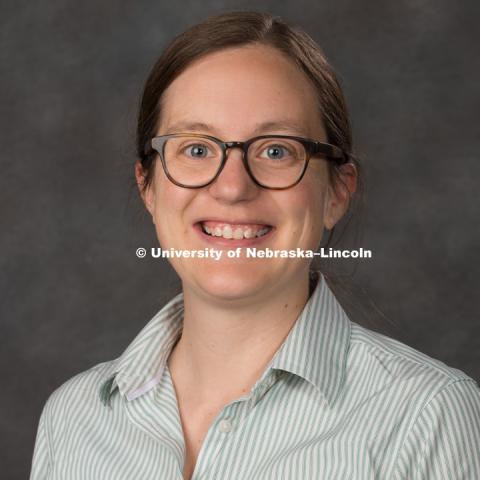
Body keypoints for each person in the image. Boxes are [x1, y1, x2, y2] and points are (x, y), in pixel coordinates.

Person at [30, 10, 480, 480]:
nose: (232, 187)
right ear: (148, 185)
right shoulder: (73, 419)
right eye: (197, 149)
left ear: (337, 191)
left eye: (276, 150)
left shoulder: (427, 415)